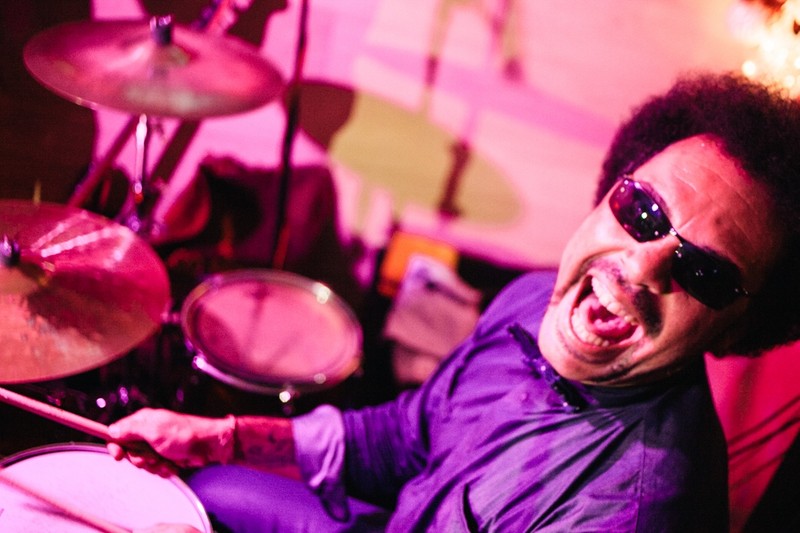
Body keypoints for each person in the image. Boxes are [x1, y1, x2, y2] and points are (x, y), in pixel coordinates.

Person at [107, 72, 800, 532]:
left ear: (737, 327)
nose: (640, 267)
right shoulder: (536, 298)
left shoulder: (630, 512)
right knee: (200, 487)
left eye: (705, 273)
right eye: (642, 210)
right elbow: (408, 433)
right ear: (606, 193)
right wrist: (223, 435)